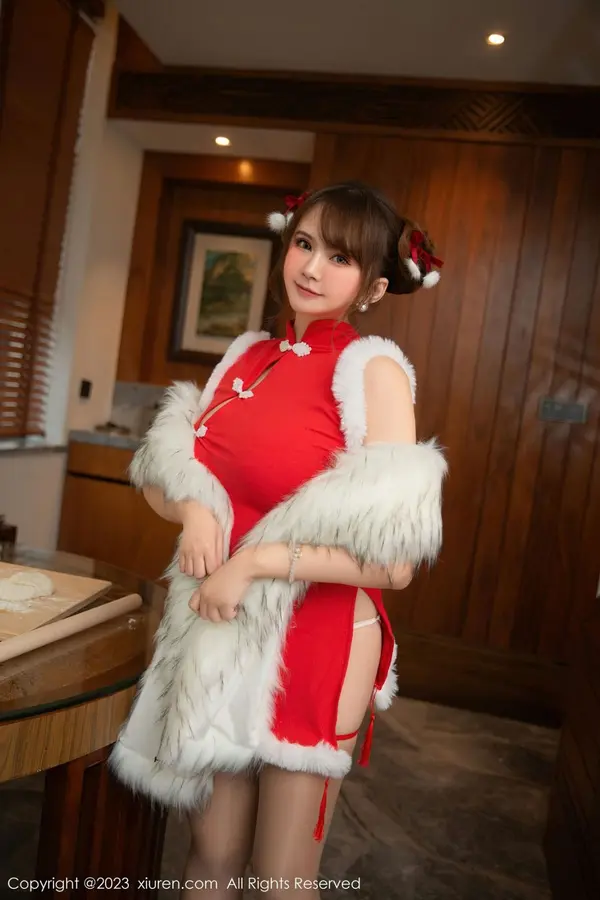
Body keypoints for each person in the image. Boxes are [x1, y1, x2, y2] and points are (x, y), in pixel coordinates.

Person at [109, 181, 447, 899]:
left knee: (280, 876)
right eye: (304, 244)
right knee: (210, 855)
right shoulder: (246, 355)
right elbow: (164, 474)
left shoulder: (372, 372)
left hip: (317, 635)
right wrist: (195, 512)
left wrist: (256, 560)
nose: (312, 268)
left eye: (340, 257)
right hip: (222, 631)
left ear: (374, 286)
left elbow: (394, 563)